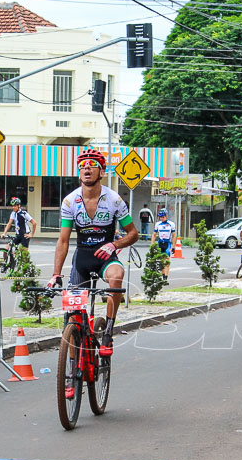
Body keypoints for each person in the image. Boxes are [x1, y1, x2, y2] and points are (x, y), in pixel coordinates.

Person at [49, 149, 138, 371]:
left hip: (106, 257)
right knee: (71, 317)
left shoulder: (114, 199)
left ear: (102, 171)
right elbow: (63, 241)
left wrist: (114, 244)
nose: (86, 169)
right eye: (82, 166)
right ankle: (70, 369)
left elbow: (133, 233)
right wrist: (56, 274)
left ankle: (108, 331)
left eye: (91, 165)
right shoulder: (70, 201)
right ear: (79, 173)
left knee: (116, 278)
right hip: (82, 259)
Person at [149, 209, 176, 279]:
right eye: (160, 217)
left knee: (167, 261)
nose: (161, 218)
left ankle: (166, 277)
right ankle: (163, 275)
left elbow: (173, 236)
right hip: (160, 243)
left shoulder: (171, 224)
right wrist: (152, 245)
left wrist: (173, 247)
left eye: (163, 217)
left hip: (167, 244)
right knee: (161, 261)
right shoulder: (158, 224)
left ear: (166, 216)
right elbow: (154, 235)